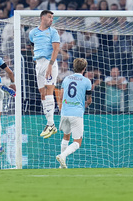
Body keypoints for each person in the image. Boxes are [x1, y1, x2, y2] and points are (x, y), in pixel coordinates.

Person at [29, 10, 60, 139]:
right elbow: (32, 46)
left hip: (49, 63)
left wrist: (50, 65)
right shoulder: (33, 33)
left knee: (49, 92)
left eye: (52, 18)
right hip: (39, 63)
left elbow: (56, 49)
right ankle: (49, 124)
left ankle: (51, 124)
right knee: (42, 93)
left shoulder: (53, 32)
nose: (51, 19)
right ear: (42, 18)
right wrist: (35, 58)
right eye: (49, 17)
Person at [56, 58, 92, 169]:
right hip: (76, 113)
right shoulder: (87, 81)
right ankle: (62, 156)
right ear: (84, 69)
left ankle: (62, 166)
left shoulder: (66, 79)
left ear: (73, 67)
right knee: (77, 142)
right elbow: (89, 100)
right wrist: (84, 106)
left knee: (66, 137)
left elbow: (61, 96)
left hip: (65, 112)